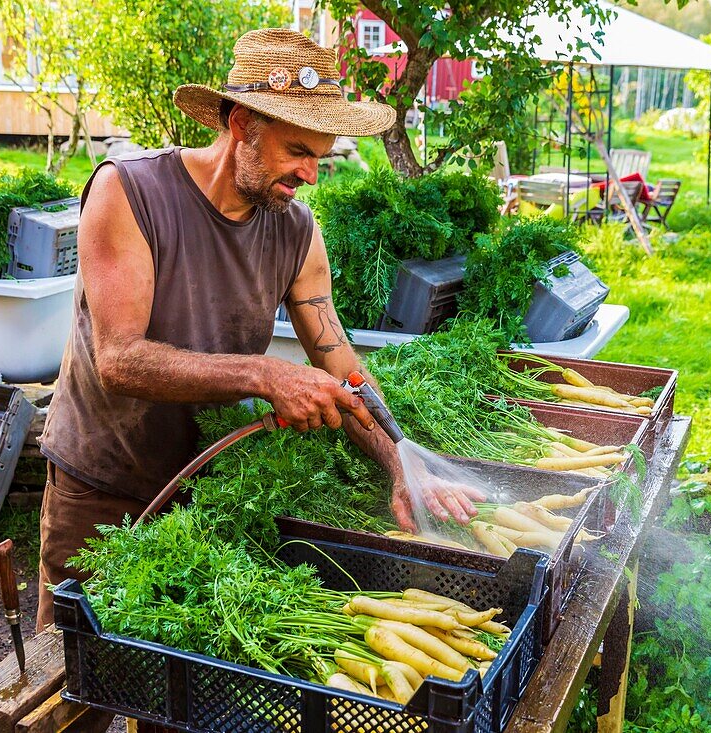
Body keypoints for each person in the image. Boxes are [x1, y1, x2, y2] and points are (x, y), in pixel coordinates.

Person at [36, 28, 483, 633]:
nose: (312, 174)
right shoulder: (130, 192)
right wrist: (266, 374)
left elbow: (341, 365)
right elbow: (118, 359)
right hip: (104, 483)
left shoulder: (296, 231)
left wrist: (398, 459)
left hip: (210, 492)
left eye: (320, 156)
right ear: (243, 123)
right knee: (73, 683)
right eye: (298, 151)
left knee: (179, 696)